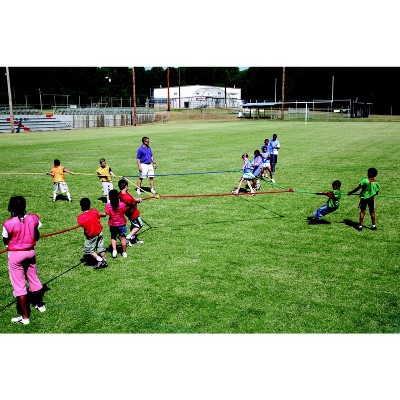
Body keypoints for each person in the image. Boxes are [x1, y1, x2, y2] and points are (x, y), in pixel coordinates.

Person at [2, 196, 46, 325]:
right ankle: (40, 305)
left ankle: (25, 318)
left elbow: (5, 239)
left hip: (16, 255)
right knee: (34, 279)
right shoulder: (34, 218)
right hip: (30, 252)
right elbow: (36, 234)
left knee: (19, 286)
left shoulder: (8, 223)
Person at [77, 198, 108, 269]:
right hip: (100, 232)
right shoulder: (94, 211)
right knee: (101, 248)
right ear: (89, 205)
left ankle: (100, 260)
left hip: (92, 235)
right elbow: (98, 214)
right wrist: (103, 214)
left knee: (88, 249)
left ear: (81, 206)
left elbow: (81, 225)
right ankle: (104, 260)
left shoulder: (80, 217)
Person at [118, 179, 144, 246]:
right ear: (126, 186)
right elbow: (133, 202)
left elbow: (132, 199)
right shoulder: (127, 197)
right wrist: (138, 200)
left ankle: (133, 239)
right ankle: (128, 238)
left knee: (133, 226)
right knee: (139, 225)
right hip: (133, 213)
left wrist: (136, 199)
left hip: (129, 213)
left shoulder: (121, 194)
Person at [105, 189, 128, 258]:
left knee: (113, 237)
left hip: (113, 225)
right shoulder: (122, 204)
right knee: (122, 238)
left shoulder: (108, 206)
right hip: (122, 224)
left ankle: (114, 251)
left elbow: (107, 213)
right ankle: (124, 252)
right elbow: (125, 210)